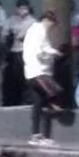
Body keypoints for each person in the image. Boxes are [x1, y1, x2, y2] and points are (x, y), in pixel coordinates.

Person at [24, 10, 62, 147]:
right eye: (51, 24)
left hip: (30, 73)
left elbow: (43, 48)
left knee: (38, 104)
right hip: (39, 73)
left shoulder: (33, 30)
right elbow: (40, 52)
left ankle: (36, 136)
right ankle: (44, 135)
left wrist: (52, 52)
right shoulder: (39, 31)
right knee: (54, 93)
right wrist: (53, 55)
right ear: (47, 20)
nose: (51, 27)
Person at [4, 0, 36, 106]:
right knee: (13, 78)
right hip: (13, 53)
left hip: (27, 52)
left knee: (25, 78)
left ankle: (26, 100)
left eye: (25, 8)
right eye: (21, 8)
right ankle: (14, 100)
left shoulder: (32, 21)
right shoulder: (11, 20)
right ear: (16, 9)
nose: (23, 11)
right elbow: (4, 35)